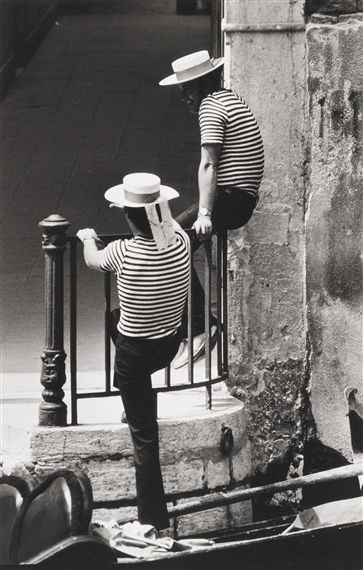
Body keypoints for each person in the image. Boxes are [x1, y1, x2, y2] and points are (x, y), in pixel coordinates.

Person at [77, 173, 190, 531]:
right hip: (169, 346)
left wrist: (85, 238)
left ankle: (152, 520)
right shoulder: (182, 242)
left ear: (128, 217)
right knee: (117, 320)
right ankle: (136, 405)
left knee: (145, 439)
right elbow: (170, 229)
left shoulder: (123, 251)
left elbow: (92, 260)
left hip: (135, 356)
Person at [159, 50, 264, 368]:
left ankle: (202, 328)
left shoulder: (211, 106)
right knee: (173, 240)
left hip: (230, 198)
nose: (184, 99)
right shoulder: (230, 99)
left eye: (187, 90)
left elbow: (208, 164)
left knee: (166, 244)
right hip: (238, 198)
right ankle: (197, 327)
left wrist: (204, 214)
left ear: (202, 85)